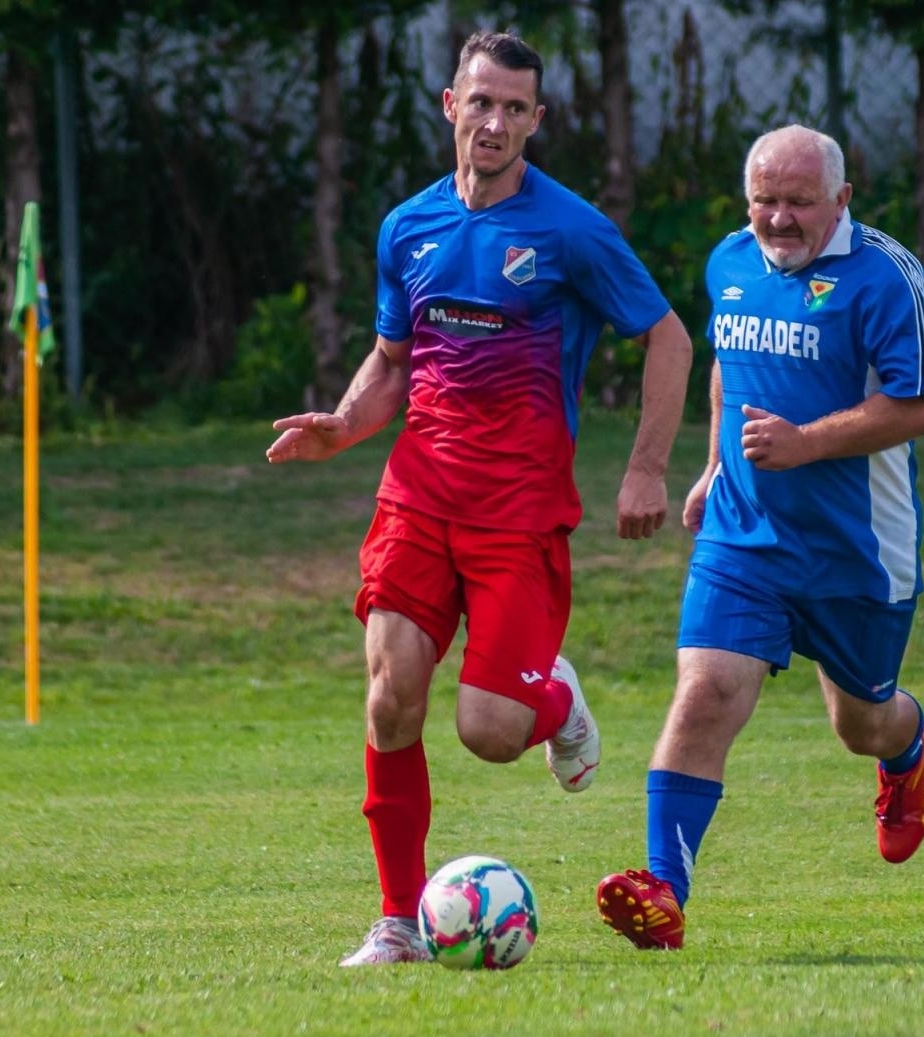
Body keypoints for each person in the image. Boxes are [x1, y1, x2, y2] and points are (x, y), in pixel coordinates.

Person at [266, 30, 693, 967]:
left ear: (535, 122)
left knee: (489, 731)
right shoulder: (407, 227)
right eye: (481, 101)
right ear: (449, 105)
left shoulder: (571, 231)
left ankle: (555, 704)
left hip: (519, 517)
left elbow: (668, 339)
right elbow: (393, 360)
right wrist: (342, 426)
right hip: (416, 500)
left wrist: (646, 467)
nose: (494, 121)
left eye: (514, 108)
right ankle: (395, 922)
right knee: (389, 702)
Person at [595, 124, 924, 951]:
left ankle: (908, 745)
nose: (779, 220)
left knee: (861, 722)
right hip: (743, 536)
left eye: (798, 203)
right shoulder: (730, 262)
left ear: (842, 200)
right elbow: (726, 363)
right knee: (708, 690)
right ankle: (663, 889)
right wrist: (718, 464)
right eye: (764, 201)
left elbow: (919, 405)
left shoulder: (887, 278)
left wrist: (807, 443)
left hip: (855, 548)